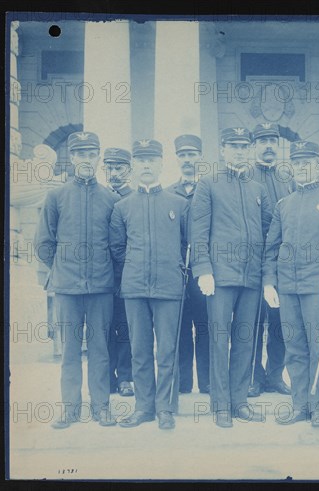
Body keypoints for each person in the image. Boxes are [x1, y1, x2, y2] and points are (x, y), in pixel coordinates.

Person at [263, 140, 319, 428]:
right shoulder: (283, 204)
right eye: (297, 163)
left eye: (308, 162)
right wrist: (269, 282)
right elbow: (271, 247)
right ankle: (300, 405)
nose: (302, 168)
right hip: (288, 286)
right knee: (295, 348)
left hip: (318, 287)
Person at [35, 131, 117, 429]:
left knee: (100, 350)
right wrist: (62, 269)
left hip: (101, 288)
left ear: (98, 158)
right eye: (80, 153)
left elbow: (117, 245)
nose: (86, 159)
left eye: (91, 153)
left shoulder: (110, 198)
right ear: (72, 158)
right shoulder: (56, 196)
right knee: (69, 351)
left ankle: (101, 407)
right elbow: (44, 242)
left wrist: (105, 273)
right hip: (67, 289)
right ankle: (70, 409)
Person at [190, 127, 271, 428]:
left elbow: (267, 231)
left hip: (251, 276)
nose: (239, 151)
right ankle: (221, 405)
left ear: (249, 150)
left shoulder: (257, 188)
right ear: (222, 150)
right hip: (220, 277)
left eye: (243, 146)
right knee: (219, 339)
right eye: (233, 146)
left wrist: (267, 273)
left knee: (245, 340)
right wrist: (203, 270)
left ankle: (240, 402)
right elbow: (198, 232)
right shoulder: (208, 184)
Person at [110, 139, 189, 430]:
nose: (146, 165)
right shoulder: (122, 206)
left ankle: (165, 407)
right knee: (139, 350)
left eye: (151, 160)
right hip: (134, 288)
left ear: (160, 164)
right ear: (134, 166)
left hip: (169, 288)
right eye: (140, 160)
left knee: (167, 350)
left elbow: (186, 244)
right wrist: (137, 267)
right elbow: (117, 248)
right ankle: (143, 407)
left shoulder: (179, 205)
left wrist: (171, 267)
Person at [247, 123, 293, 398]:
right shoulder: (245, 178)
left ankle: (275, 375)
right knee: (252, 321)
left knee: (280, 322)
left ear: (278, 146)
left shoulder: (287, 178)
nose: (267, 146)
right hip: (252, 260)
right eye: (262, 140)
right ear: (254, 147)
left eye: (272, 141)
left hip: (281, 262)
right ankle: (254, 377)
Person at [166, 134, 210, 395]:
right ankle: (183, 384)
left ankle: (206, 383)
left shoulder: (210, 190)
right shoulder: (169, 193)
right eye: (182, 155)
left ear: (200, 158)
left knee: (205, 327)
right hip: (176, 272)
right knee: (180, 328)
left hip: (203, 272)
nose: (187, 160)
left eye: (192, 155)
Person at [103, 147, 135, 398]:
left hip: (127, 275)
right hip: (102, 277)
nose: (114, 173)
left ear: (129, 170)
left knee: (125, 328)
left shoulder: (135, 199)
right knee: (104, 329)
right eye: (110, 168)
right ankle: (108, 376)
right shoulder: (99, 197)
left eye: (119, 168)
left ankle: (126, 377)